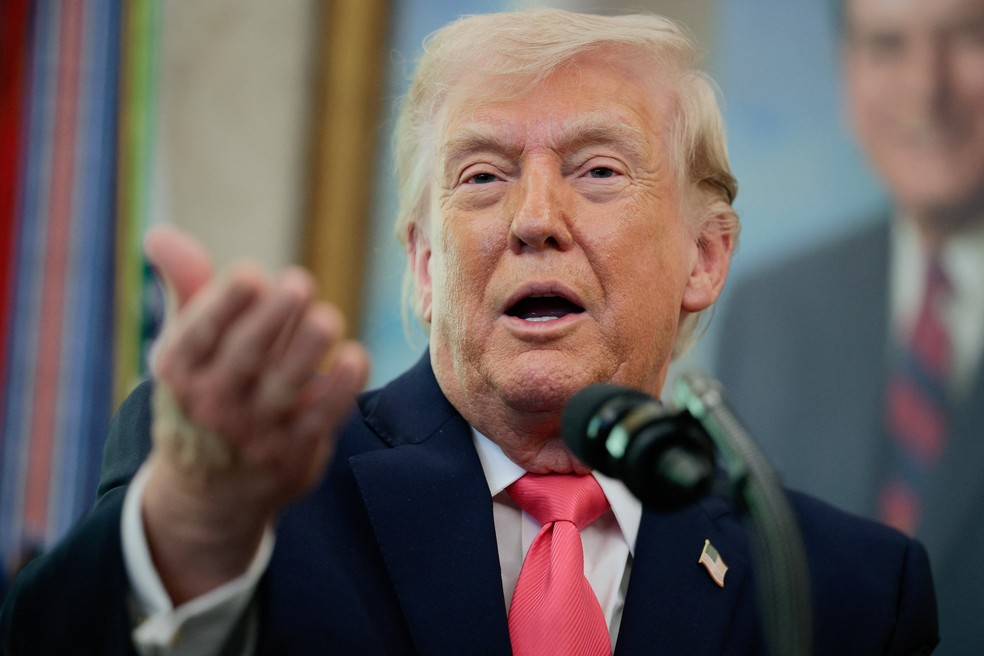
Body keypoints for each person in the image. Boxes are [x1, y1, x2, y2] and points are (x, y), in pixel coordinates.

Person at [1, 9, 938, 655]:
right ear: (423, 264)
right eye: (482, 176)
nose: (534, 219)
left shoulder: (844, 589)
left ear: (705, 255)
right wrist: (189, 531)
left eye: (598, 170)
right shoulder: (247, 489)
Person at [714, 0, 984, 652]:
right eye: (888, 46)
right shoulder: (770, 312)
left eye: (968, 38)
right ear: (847, 75)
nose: (926, 87)